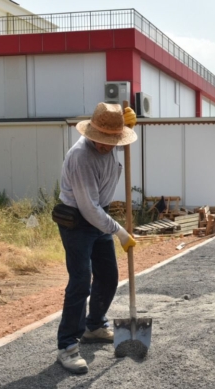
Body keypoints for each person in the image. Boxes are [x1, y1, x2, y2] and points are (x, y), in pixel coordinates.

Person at [55, 102, 138, 374]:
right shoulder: (81, 157)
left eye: (113, 140)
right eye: (102, 139)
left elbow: (98, 207)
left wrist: (125, 127)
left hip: (99, 216)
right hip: (77, 221)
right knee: (81, 282)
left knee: (108, 276)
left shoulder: (111, 145)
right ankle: (67, 346)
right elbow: (88, 208)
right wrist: (120, 231)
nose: (106, 145)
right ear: (91, 133)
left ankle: (94, 325)